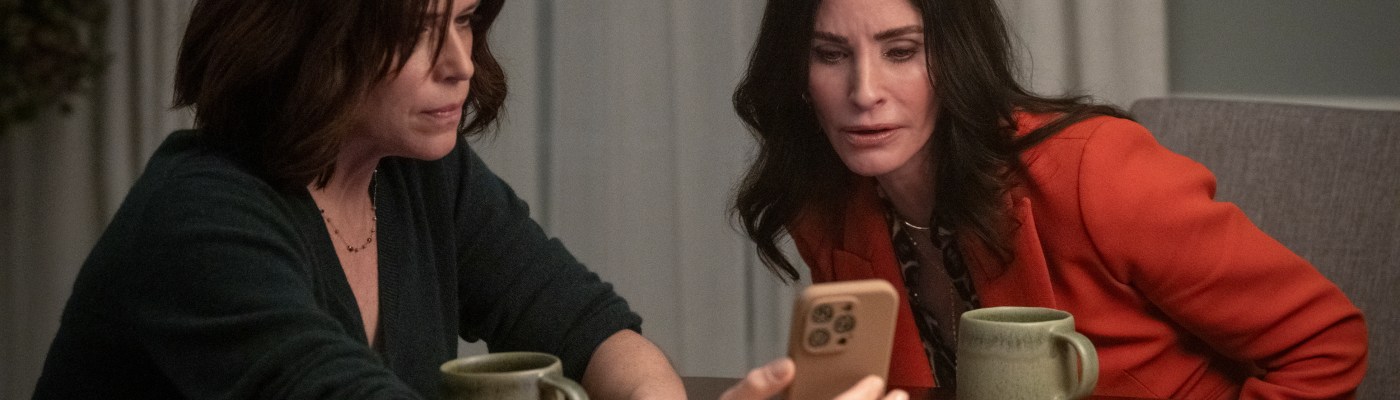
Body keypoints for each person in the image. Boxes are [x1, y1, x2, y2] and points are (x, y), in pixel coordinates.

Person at [31, 0, 684, 398]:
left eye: (463, 20)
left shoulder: (421, 175)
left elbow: (589, 327)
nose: (460, 62)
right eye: (418, 29)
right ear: (311, 38)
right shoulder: (197, 216)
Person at [723, 0, 1369, 398]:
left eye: (902, 51)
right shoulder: (825, 209)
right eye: (831, 54)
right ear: (799, 75)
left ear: (958, 60)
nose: (864, 91)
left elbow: (1326, 341)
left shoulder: (1095, 170)